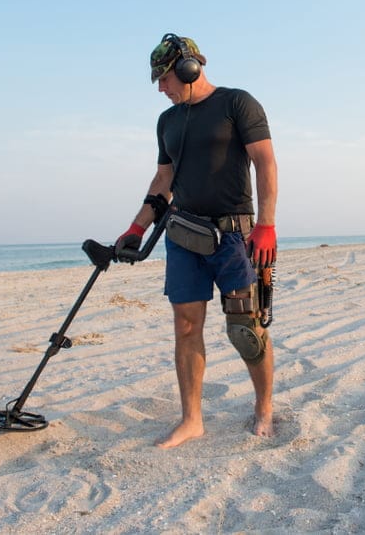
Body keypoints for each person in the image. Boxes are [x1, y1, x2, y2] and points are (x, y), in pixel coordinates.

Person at [114, 33, 278, 448]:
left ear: (190, 69)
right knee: (186, 327)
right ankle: (191, 420)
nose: (160, 88)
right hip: (184, 235)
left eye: (165, 78)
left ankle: (264, 407)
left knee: (246, 328)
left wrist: (266, 224)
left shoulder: (237, 103)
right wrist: (136, 228)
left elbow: (265, 162)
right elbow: (163, 178)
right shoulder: (167, 121)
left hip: (235, 234)